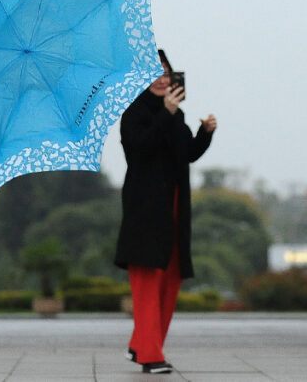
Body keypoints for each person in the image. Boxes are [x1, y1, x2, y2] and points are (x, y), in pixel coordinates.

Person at [113, 49, 217, 374]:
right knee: (146, 283)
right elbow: (141, 147)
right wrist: (166, 113)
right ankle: (150, 355)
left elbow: (186, 153)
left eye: (166, 73)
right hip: (145, 213)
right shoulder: (133, 113)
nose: (162, 79)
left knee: (169, 282)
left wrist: (205, 133)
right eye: (154, 73)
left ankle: (141, 344)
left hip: (174, 210)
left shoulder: (177, 116)